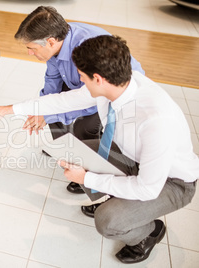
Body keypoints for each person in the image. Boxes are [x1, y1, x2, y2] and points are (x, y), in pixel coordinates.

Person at [0, 35, 198, 264]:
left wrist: (88, 178)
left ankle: (147, 232)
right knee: (74, 151)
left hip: (172, 182)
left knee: (108, 221)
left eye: (82, 77)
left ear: (98, 79)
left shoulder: (156, 119)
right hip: (135, 158)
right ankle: (117, 196)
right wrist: (6, 110)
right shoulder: (117, 85)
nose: (79, 81)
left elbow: (147, 189)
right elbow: (63, 101)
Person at [15, 6, 145, 195]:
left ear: (50, 42)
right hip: (84, 82)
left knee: (84, 127)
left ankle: (91, 176)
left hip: (110, 89)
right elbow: (52, 80)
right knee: (51, 112)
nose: (29, 53)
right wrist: (44, 110)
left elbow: (93, 97)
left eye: (31, 48)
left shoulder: (85, 47)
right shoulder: (56, 44)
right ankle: (69, 157)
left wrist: (51, 112)